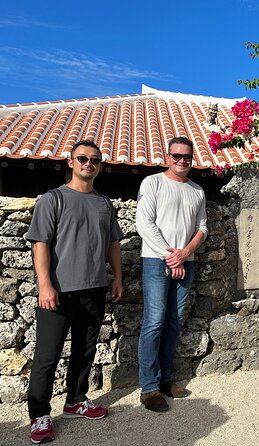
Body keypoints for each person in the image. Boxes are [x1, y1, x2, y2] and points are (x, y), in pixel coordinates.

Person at [26, 140, 123, 444]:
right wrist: (44, 285)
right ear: (70, 162)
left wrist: (117, 277)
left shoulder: (105, 204)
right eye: (82, 158)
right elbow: (40, 243)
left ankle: (75, 401)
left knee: (85, 350)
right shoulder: (52, 200)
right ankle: (39, 414)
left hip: (93, 288)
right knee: (46, 356)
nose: (88, 163)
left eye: (94, 160)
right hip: (57, 292)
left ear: (100, 165)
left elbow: (113, 244)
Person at [136, 136, 207, 412]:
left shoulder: (197, 191)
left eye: (186, 156)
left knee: (174, 322)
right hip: (156, 260)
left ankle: (166, 379)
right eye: (176, 155)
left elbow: (202, 227)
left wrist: (184, 252)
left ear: (192, 158)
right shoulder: (152, 183)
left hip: (184, 262)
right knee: (153, 322)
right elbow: (145, 223)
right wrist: (171, 255)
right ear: (168, 156)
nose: (181, 160)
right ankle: (149, 387)